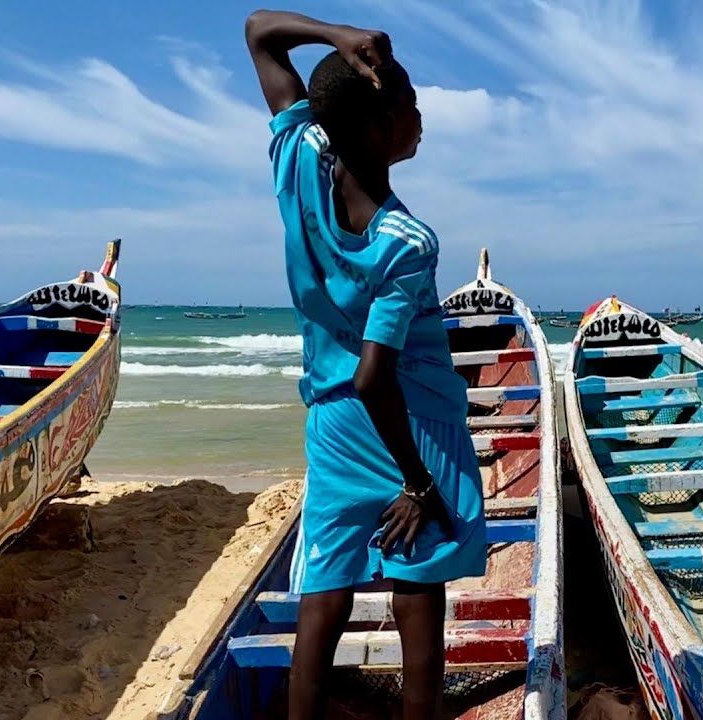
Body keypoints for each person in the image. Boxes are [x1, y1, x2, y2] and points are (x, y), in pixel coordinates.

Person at [245, 10, 487, 719]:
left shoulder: (298, 162)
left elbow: (260, 29)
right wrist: (418, 483)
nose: (420, 120)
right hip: (410, 426)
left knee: (323, 602)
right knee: (418, 604)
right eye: (410, 108)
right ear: (380, 126)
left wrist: (338, 38)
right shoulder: (405, 241)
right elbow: (376, 375)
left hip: (333, 423)